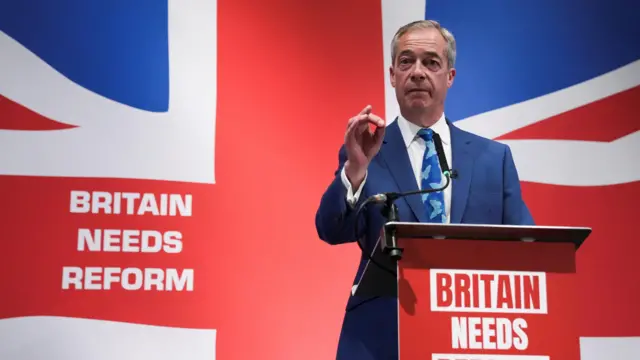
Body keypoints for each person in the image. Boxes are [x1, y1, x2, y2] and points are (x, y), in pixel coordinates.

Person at [314, 20, 535, 359]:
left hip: (472, 337)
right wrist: (355, 170)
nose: (417, 72)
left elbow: (529, 252)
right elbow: (331, 230)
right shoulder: (367, 151)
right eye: (406, 61)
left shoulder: (494, 159)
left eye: (431, 62)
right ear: (392, 75)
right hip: (382, 340)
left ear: (450, 76)